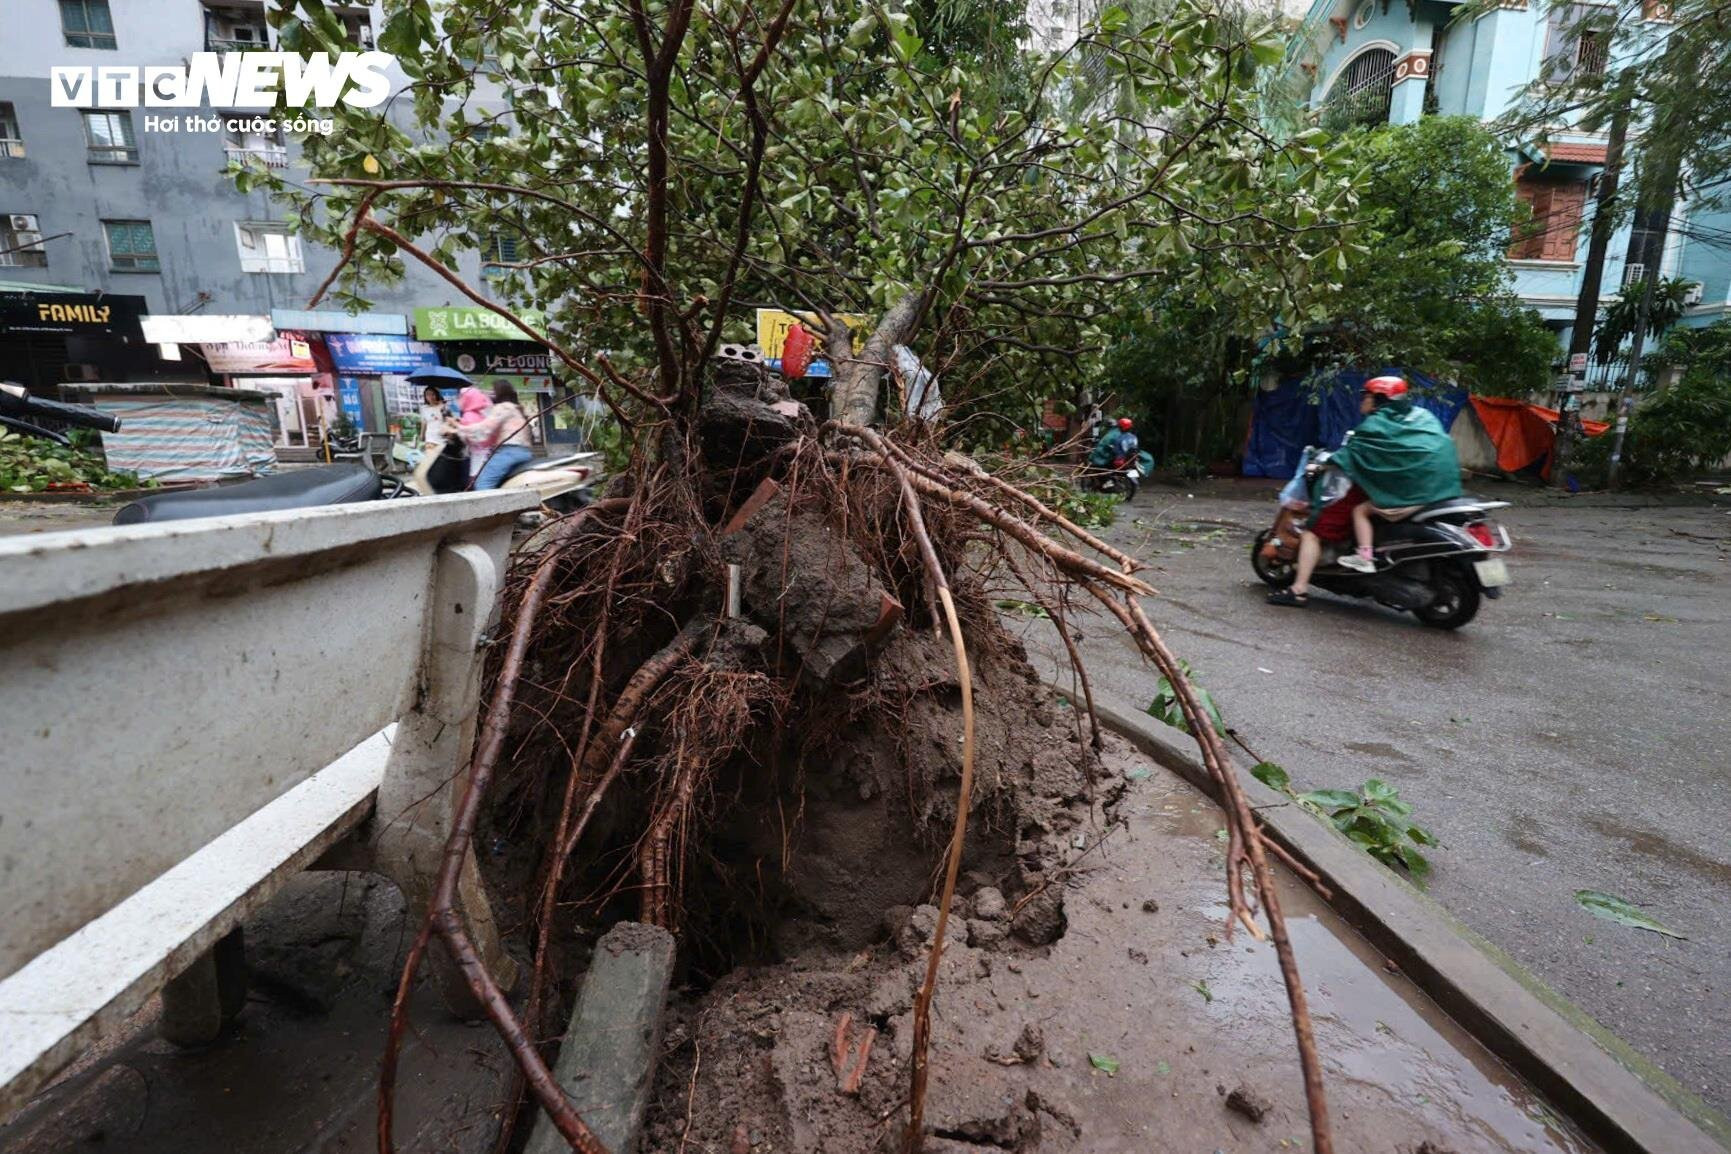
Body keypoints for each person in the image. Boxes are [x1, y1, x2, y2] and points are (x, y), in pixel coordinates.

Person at [1331, 375, 1462, 573]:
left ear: (1378, 399)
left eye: (1366, 396)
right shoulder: (1422, 416)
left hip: (1413, 495)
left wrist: (1325, 463)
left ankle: (1365, 557)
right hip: (1442, 491)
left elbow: (1350, 455)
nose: (1363, 400)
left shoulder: (1375, 425)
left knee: (1360, 511)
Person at [1265, 452, 1367, 608]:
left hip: (1377, 496)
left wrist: (1323, 465)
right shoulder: (1413, 435)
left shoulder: (1376, 433)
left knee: (1312, 533)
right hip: (1406, 498)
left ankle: (1299, 589)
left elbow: (1348, 457)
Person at [459, 381, 534, 490]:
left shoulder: (502, 408)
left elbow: (485, 429)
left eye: (492, 391)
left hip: (508, 452)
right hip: (524, 452)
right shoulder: (516, 408)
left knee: (482, 483)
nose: (489, 394)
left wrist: (459, 428)